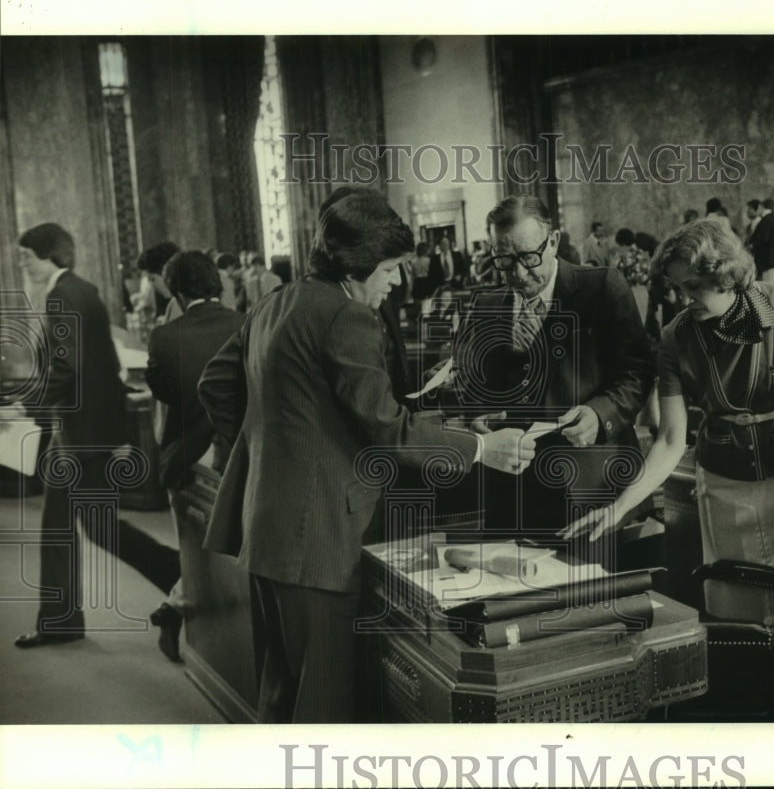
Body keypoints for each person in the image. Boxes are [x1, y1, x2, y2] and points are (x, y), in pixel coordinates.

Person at [197, 187, 532, 723]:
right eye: (393, 268)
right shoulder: (346, 317)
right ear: (358, 266)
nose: (398, 281)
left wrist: (279, 443)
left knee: (282, 693)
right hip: (320, 539)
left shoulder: (274, 302)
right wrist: (479, 448)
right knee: (326, 705)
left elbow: (216, 384)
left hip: (267, 529)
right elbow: (387, 432)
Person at [560, 220, 774, 712]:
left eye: (692, 286)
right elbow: (670, 439)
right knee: (737, 617)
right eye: (677, 288)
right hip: (726, 488)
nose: (683, 297)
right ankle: (773, 713)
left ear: (726, 276)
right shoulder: (675, 337)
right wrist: (622, 503)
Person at [12, 223, 181, 649]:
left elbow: (67, 370)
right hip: (82, 432)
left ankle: (180, 575)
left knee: (98, 528)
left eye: (26, 255)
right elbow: (102, 363)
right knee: (61, 527)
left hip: (81, 435)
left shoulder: (62, 295)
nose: (21, 263)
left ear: (49, 255)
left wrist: (22, 405)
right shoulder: (81, 291)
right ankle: (60, 620)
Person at [449, 195, 655, 542]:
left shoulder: (601, 287)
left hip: (591, 488)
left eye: (529, 257)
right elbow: (469, 383)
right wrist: (477, 415)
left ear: (554, 241)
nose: (518, 273)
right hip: (512, 494)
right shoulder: (485, 306)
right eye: (504, 260)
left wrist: (598, 414)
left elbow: (637, 372)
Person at [144, 251, 245, 662]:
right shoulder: (246, 324)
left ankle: (178, 609)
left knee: (193, 547)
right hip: (235, 454)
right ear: (218, 284)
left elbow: (165, 393)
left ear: (178, 292)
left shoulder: (165, 336)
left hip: (188, 458)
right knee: (233, 554)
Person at [751, 199, 774, 283]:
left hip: (767, 263)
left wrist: (751, 247)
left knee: (768, 290)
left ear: (762, 207)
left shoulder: (764, 222)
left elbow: (762, 241)